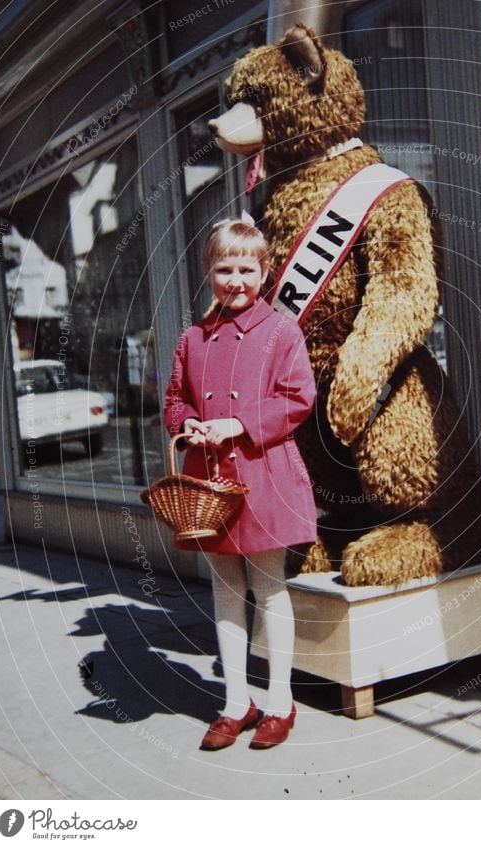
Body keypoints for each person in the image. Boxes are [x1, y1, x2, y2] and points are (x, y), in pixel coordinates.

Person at [163, 214, 317, 750]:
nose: (235, 279)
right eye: (224, 268)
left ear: (265, 271)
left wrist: (239, 424)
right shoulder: (193, 337)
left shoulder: (281, 331)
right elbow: (175, 399)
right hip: (207, 480)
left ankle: (279, 700)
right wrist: (188, 424)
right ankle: (235, 700)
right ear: (208, 272)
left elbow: (298, 398)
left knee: (269, 587)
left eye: (246, 268)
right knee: (225, 590)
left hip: (262, 473)